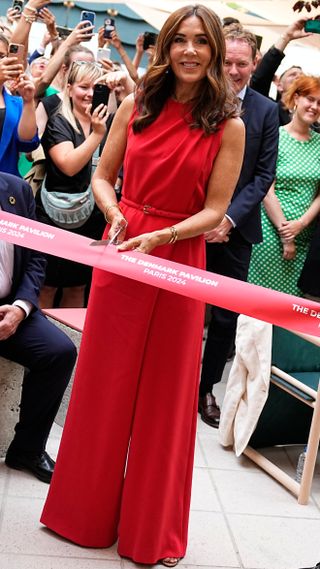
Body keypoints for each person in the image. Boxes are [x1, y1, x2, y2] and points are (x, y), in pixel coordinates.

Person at [40, 4, 245, 566]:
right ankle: (79, 515)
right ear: (165, 48)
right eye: (181, 40)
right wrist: (115, 213)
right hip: (123, 252)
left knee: (165, 397)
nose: (190, 52)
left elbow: (217, 210)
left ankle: (149, 533)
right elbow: (102, 178)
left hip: (180, 257)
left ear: (215, 53)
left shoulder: (229, 126)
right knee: (103, 386)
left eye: (202, 43)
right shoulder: (136, 106)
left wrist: (166, 234)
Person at [198, 24, 279, 428]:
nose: (232, 71)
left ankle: (205, 389)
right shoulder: (199, 98)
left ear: (255, 65)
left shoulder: (267, 111)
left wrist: (228, 218)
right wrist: (206, 217)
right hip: (191, 223)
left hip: (237, 230)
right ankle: (174, 381)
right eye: (226, 62)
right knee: (185, 308)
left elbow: (263, 176)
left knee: (226, 317)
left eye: (241, 64)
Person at [0, 171, 77, 483]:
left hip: (11, 308)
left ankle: (27, 449)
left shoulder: (16, 190)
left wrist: (20, 308)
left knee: (59, 352)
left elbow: (35, 259)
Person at [35, 61, 109, 308]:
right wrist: (97, 135)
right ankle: (43, 344)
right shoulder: (59, 121)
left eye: (96, 88)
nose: (89, 93)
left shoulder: (106, 123)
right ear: (69, 88)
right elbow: (68, 165)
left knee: (78, 286)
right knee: (47, 285)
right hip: (55, 216)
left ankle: (70, 345)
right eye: (83, 86)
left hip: (94, 218)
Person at [248, 75, 320, 296]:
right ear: (296, 98)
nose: (315, 107)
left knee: (290, 309)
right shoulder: (275, 136)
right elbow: (266, 190)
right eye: (310, 99)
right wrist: (285, 233)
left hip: (304, 235)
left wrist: (300, 224)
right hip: (270, 233)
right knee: (258, 306)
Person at [0, 33, 39, 176]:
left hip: (4, 189)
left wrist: (28, 101)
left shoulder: (16, 104)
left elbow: (27, 143)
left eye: (2, 56)